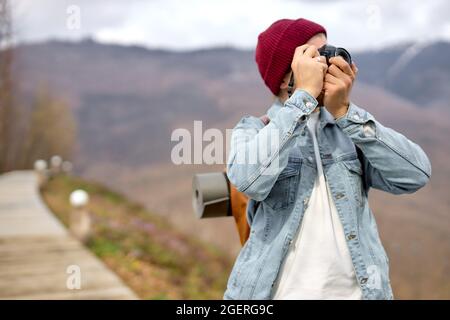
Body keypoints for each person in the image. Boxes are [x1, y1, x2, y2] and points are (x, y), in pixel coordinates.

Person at [224, 18, 431, 300]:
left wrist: (345, 112)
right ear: (286, 75)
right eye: (314, 56)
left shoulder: (349, 129)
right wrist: (304, 97)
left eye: (328, 52)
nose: (328, 63)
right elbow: (249, 181)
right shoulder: (254, 129)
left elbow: (415, 174)